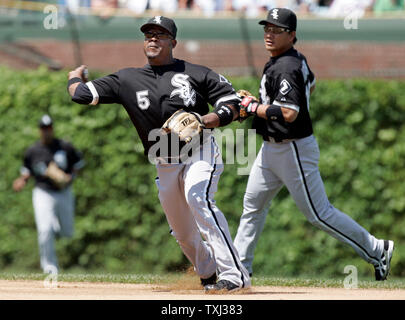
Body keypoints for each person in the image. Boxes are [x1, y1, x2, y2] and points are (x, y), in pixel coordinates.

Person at [67, 16, 250, 292]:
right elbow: (80, 95)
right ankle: (208, 273)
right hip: (164, 162)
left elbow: (231, 103)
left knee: (197, 197)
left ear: (173, 42)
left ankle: (235, 276)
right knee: (183, 233)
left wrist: (205, 120)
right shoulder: (127, 78)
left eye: (160, 34)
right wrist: (73, 77)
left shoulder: (197, 73)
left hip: (199, 151)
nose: (153, 37)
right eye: (149, 33)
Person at [233, 8, 394, 281]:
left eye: (277, 30)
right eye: (267, 28)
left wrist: (253, 107)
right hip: (271, 149)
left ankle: (376, 248)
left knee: (319, 214)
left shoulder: (286, 64)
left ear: (292, 35)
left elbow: (289, 113)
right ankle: (238, 270)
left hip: (292, 148)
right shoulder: (289, 59)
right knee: (253, 207)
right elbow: (312, 85)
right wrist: (261, 104)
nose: (269, 34)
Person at [13, 114, 84, 274]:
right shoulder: (33, 151)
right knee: (44, 230)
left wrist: (69, 177)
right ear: (39, 130)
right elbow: (27, 171)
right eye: (43, 128)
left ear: (52, 129)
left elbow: (78, 165)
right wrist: (21, 181)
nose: (46, 131)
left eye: (49, 128)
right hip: (43, 192)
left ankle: (55, 225)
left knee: (67, 232)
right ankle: (50, 267)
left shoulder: (65, 146)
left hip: (64, 192)